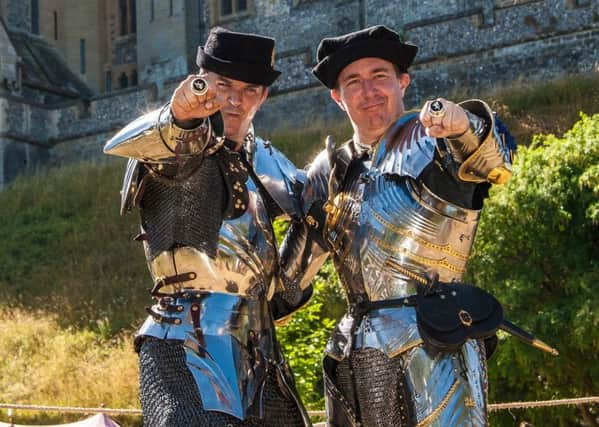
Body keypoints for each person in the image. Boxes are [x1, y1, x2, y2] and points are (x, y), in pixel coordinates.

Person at [278, 25, 515, 426]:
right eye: (353, 82)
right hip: (353, 353)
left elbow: (494, 161)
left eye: (380, 76)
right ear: (337, 97)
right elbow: (285, 285)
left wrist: (462, 122)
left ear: (403, 81)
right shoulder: (328, 174)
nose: (368, 91)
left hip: (432, 344)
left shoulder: (433, 143)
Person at [104, 27, 310, 427]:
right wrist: (181, 115)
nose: (235, 100)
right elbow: (162, 141)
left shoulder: (269, 163)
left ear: (263, 96)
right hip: (187, 342)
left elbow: (311, 226)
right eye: (223, 85)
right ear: (202, 83)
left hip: (262, 354)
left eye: (250, 89)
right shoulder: (177, 145)